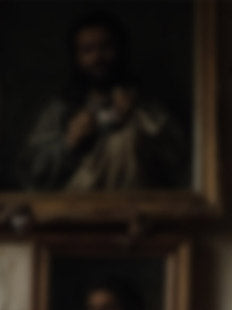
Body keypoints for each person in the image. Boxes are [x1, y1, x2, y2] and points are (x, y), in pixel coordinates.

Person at [19, 11, 187, 191]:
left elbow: (178, 162)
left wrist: (139, 118)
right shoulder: (59, 110)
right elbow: (30, 172)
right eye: (88, 50)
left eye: (106, 47)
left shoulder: (147, 107)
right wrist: (69, 143)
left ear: (120, 51)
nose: (97, 58)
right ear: (76, 58)